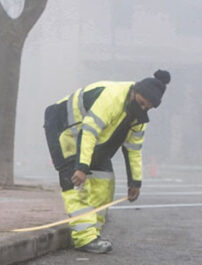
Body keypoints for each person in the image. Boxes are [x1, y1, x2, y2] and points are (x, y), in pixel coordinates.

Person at [43, 70, 170, 254]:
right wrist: (81, 167)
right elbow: (89, 130)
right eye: (141, 103)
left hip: (94, 141)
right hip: (64, 131)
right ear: (134, 92)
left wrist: (135, 182)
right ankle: (85, 238)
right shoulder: (112, 97)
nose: (142, 109)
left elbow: (133, 150)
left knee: (105, 184)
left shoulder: (139, 118)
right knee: (76, 185)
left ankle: (92, 233)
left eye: (147, 108)